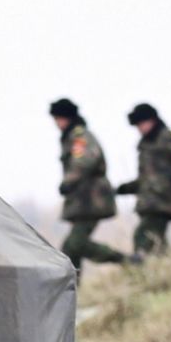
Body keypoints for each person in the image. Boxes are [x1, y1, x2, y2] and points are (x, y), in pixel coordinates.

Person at [49, 98, 125, 271]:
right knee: (71, 248)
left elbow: (84, 161)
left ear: (66, 117)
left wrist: (68, 181)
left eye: (58, 118)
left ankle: (125, 260)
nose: (56, 123)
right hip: (83, 201)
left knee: (75, 244)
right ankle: (73, 284)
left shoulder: (79, 136)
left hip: (92, 199)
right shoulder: (71, 137)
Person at [117, 102, 171, 261]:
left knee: (143, 236)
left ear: (152, 120)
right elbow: (147, 179)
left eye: (142, 123)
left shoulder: (168, 138)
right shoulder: (145, 145)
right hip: (149, 202)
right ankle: (167, 269)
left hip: (164, 200)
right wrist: (126, 188)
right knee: (158, 243)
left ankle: (141, 268)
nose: (139, 128)